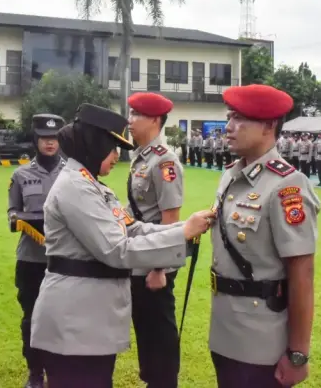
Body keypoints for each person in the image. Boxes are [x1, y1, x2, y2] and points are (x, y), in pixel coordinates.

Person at [29, 103, 213, 388]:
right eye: (112, 146)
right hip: (76, 320)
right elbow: (117, 250)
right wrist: (182, 234)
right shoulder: (75, 187)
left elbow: (132, 227)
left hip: (89, 319)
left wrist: (182, 228)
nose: (117, 155)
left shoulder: (92, 185)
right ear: (94, 144)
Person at [209, 84, 319, 388]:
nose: (229, 127)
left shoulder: (287, 186)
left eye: (239, 118)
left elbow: (302, 274)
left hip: (261, 337)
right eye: (229, 117)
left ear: (269, 126)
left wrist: (298, 353)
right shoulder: (231, 175)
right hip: (225, 327)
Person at [126, 92, 184, 387]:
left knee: (159, 330)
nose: (130, 120)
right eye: (131, 113)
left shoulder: (164, 162)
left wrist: (159, 268)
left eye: (137, 114)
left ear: (155, 120)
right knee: (145, 327)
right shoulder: (141, 157)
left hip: (155, 265)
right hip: (140, 256)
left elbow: (171, 219)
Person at [7, 113, 66, 388]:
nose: (50, 143)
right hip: (31, 259)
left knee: (62, 317)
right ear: (35, 140)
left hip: (64, 259)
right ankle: (35, 373)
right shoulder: (21, 175)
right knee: (31, 318)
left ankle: (59, 371)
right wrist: (20, 219)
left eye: (54, 138)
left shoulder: (72, 173)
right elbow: (13, 212)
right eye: (44, 138)